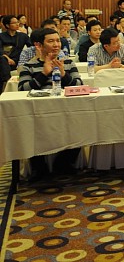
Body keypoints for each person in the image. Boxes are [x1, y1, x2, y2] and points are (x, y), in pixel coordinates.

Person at [18, 28, 83, 178]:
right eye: (51, 41)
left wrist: (64, 75)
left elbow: (79, 85)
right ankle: (39, 168)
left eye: (58, 40)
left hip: (66, 110)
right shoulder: (29, 66)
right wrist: (44, 74)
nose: (56, 45)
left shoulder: (68, 63)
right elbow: (22, 89)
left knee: (83, 123)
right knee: (29, 127)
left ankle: (63, 163)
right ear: (39, 45)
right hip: (38, 112)